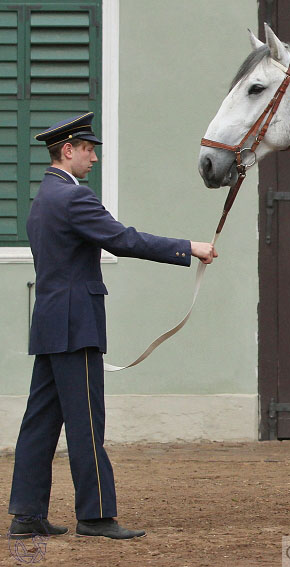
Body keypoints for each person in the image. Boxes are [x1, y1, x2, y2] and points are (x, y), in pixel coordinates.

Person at [7, 112, 217, 540]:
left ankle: (27, 517)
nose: (93, 159)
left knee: (40, 424)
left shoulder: (44, 197)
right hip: (75, 324)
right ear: (68, 150)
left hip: (50, 324)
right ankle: (96, 516)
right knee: (86, 423)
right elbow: (124, 239)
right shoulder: (73, 198)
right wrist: (189, 248)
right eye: (88, 150)